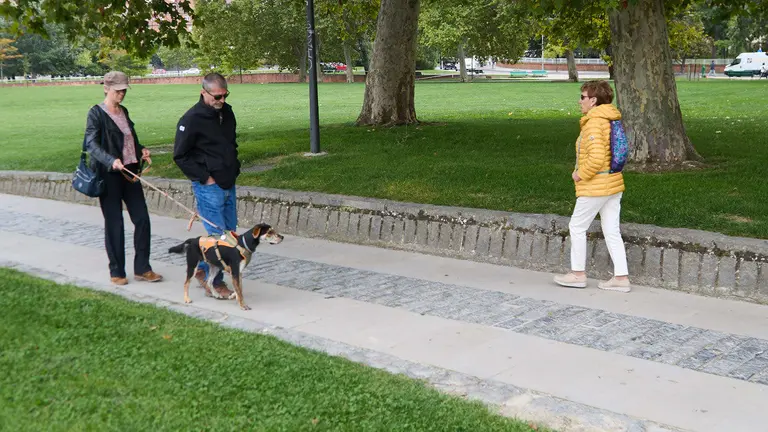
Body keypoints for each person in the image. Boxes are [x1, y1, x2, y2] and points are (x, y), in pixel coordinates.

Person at [84, 71, 163, 285]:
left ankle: (142, 268)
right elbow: (91, 144)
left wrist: (141, 150)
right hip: (109, 175)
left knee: (142, 219)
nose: (122, 94)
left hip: (130, 172)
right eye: (118, 91)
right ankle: (117, 271)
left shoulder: (124, 111)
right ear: (106, 88)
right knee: (115, 223)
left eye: (124, 90)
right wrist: (110, 160)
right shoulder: (96, 113)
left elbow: (129, 139)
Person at [554, 80, 630, 293]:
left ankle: (578, 274)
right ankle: (621, 278)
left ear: (593, 100)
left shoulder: (595, 122)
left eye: (583, 97)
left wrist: (580, 175)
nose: (580, 102)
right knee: (612, 230)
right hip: (613, 183)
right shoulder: (610, 118)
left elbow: (596, 158)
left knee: (577, 227)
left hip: (597, 185)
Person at [173, 73, 241, 299]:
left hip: (228, 181)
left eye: (225, 95)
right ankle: (217, 283)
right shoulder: (191, 119)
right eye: (217, 97)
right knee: (219, 239)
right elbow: (180, 156)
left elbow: (231, 143)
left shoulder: (227, 112)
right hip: (209, 186)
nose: (221, 101)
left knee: (230, 234)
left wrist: (235, 166)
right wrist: (204, 177)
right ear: (204, 92)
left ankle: (202, 271)